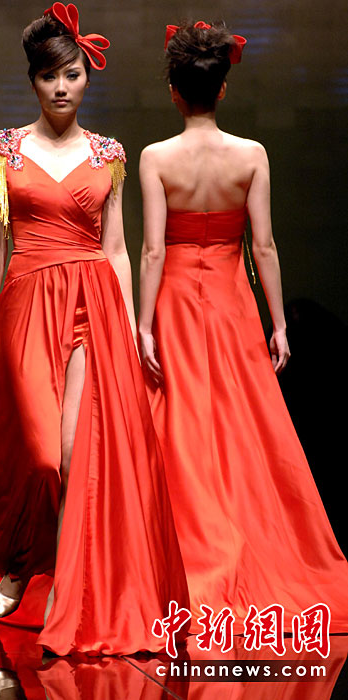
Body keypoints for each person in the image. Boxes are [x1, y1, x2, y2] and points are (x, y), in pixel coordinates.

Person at [0, 3, 189, 656]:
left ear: (86, 79)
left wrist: (131, 321)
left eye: (72, 75)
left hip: (92, 303)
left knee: (75, 458)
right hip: (24, 303)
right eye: (50, 75)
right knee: (40, 454)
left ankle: (63, 589)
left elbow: (116, 248)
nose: (61, 86)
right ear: (32, 81)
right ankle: (22, 555)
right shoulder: (3, 150)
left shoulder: (109, 154)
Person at [138, 20, 348, 632]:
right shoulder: (252, 155)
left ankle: (184, 556)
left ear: (174, 92)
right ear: (222, 88)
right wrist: (279, 323)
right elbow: (265, 247)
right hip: (232, 301)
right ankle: (248, 544)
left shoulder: (156, 158)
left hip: (177, 298)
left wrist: (143, 324)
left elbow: (153, 250)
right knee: (242, 425)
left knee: (184, 423)